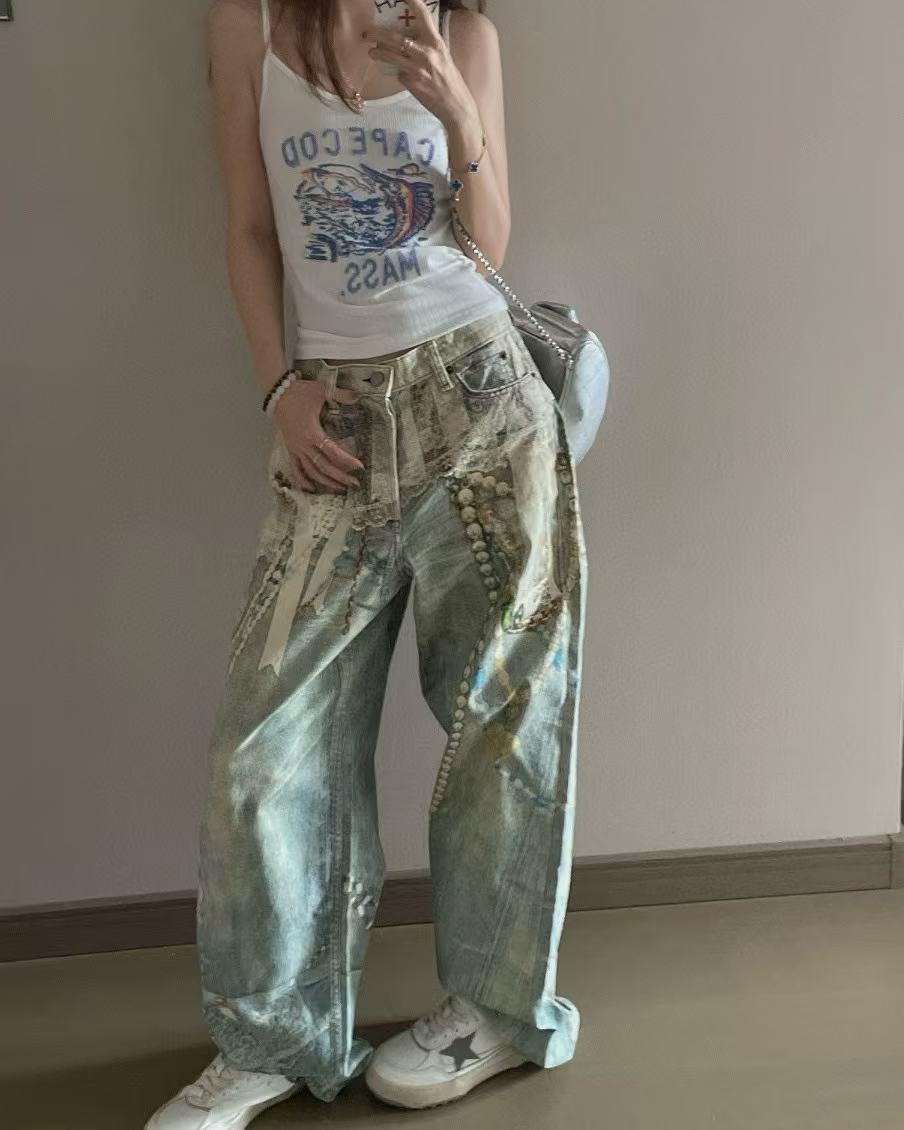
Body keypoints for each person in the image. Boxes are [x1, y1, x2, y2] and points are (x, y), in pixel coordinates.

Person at [145, 0, 587, 1125]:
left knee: (504, 718)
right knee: (266, 742)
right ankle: (275, 1037)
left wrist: (454, 108)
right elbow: (251, 227)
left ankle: (497, 1009)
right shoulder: (245, 24)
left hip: (479, 405)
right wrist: (276, 388)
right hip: (330, 416)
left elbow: (488, 243)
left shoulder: (463, 32)